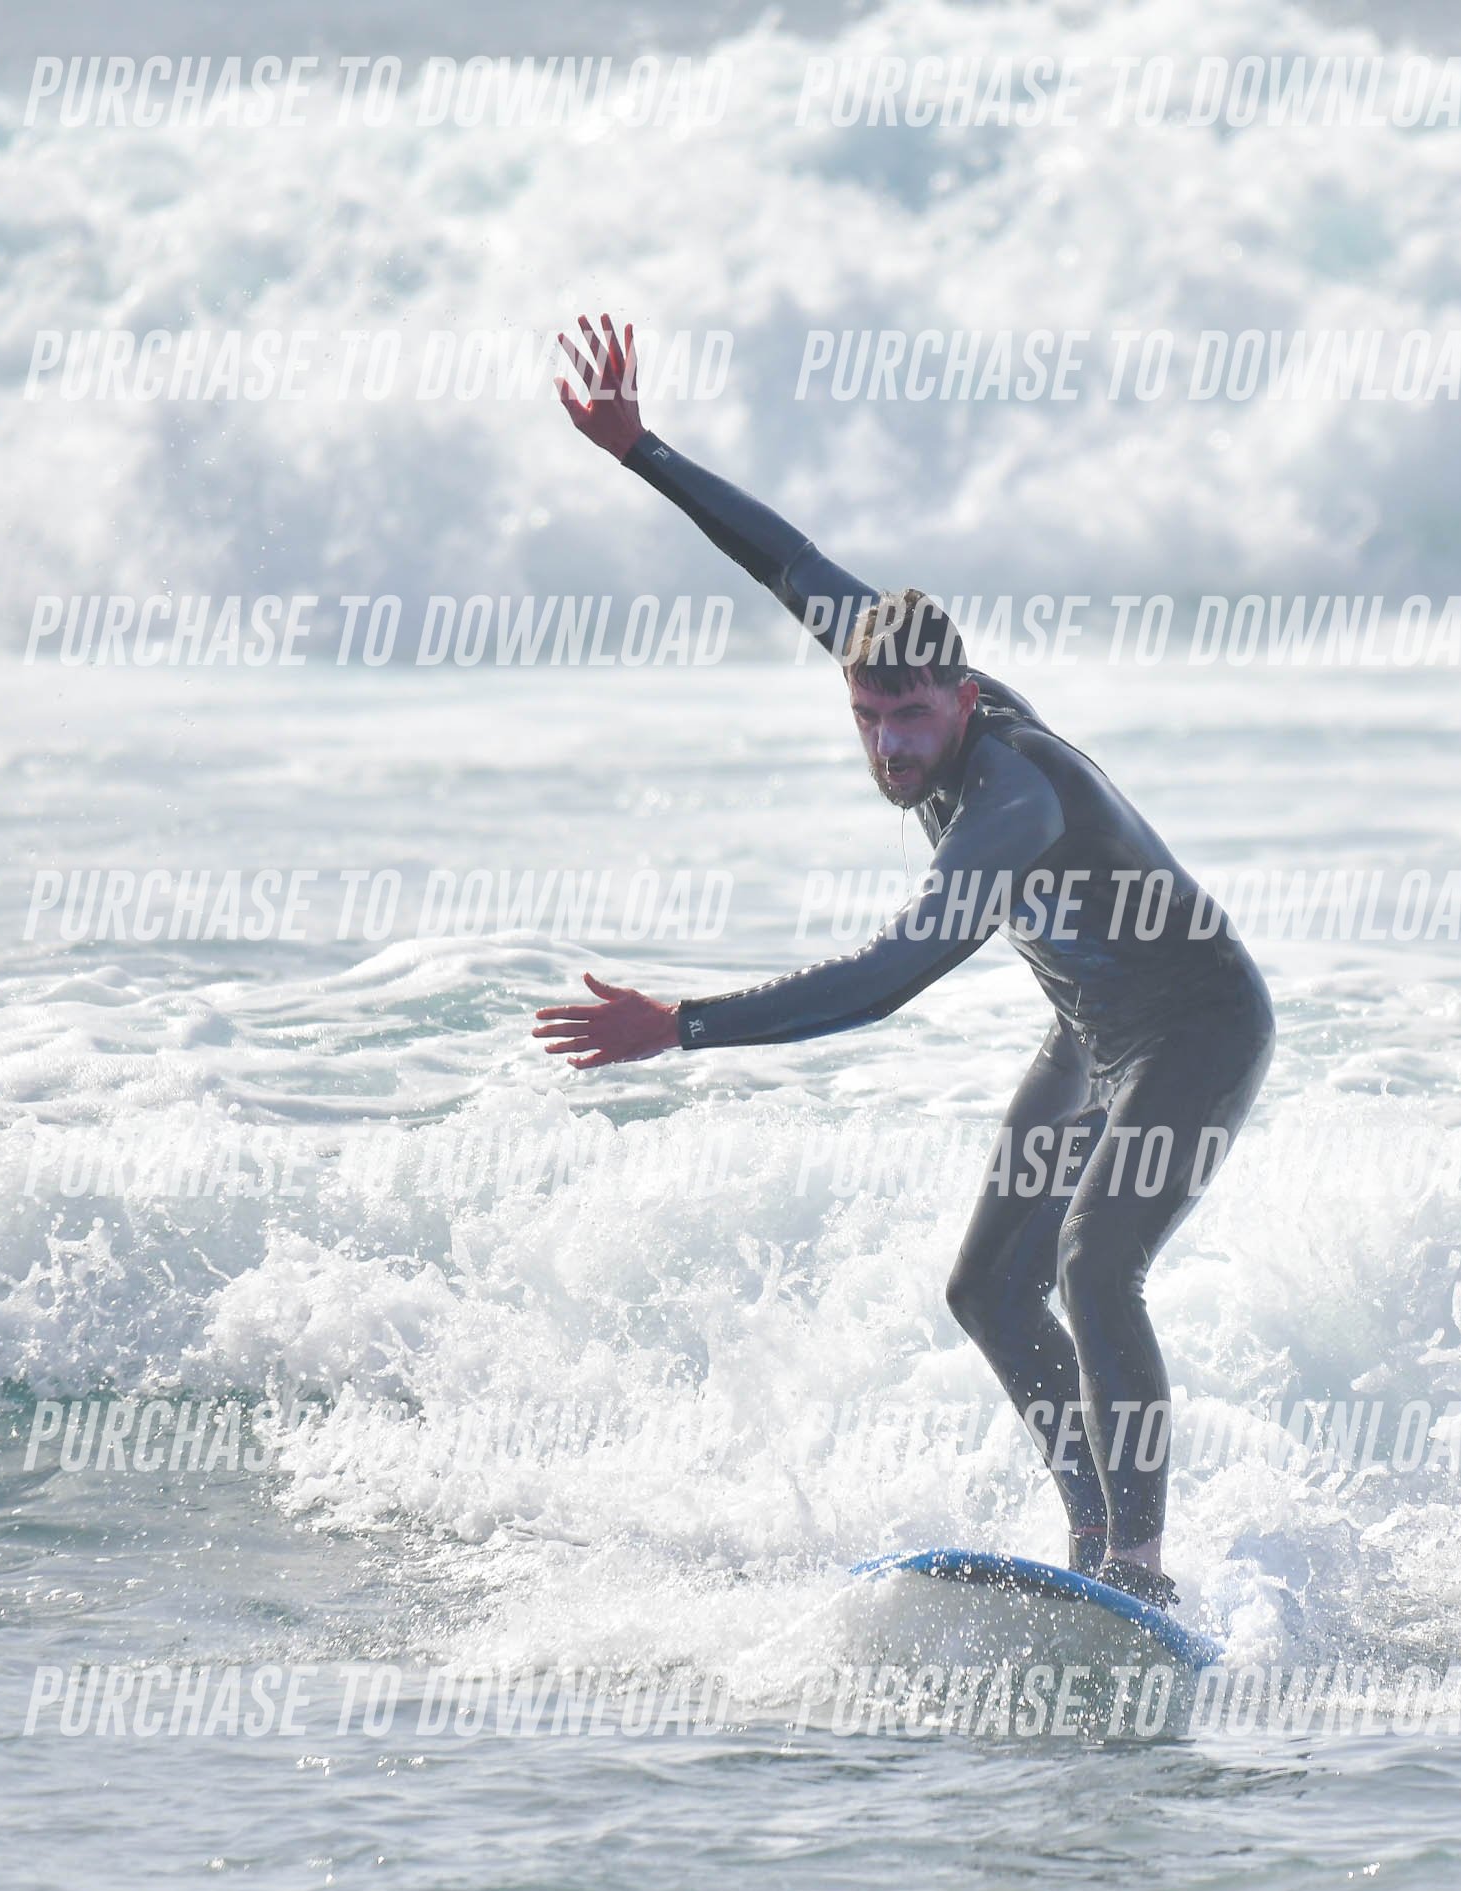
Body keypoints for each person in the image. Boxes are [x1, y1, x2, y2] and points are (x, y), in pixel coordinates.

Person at [532, 316, 1274, 1610]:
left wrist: (684, 1024)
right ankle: (1093, 1538)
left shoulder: (1012, 800)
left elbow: (888, 977)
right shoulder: (889, 657)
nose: (890, 749)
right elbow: (786, 559)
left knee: (1096, 1262)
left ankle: (1140, 1566)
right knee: (990, 1289)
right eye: (868, 718)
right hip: (1090, 1031)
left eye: (913, 721)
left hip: (1196, 1027)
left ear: (964, 699)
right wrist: (641, 448)